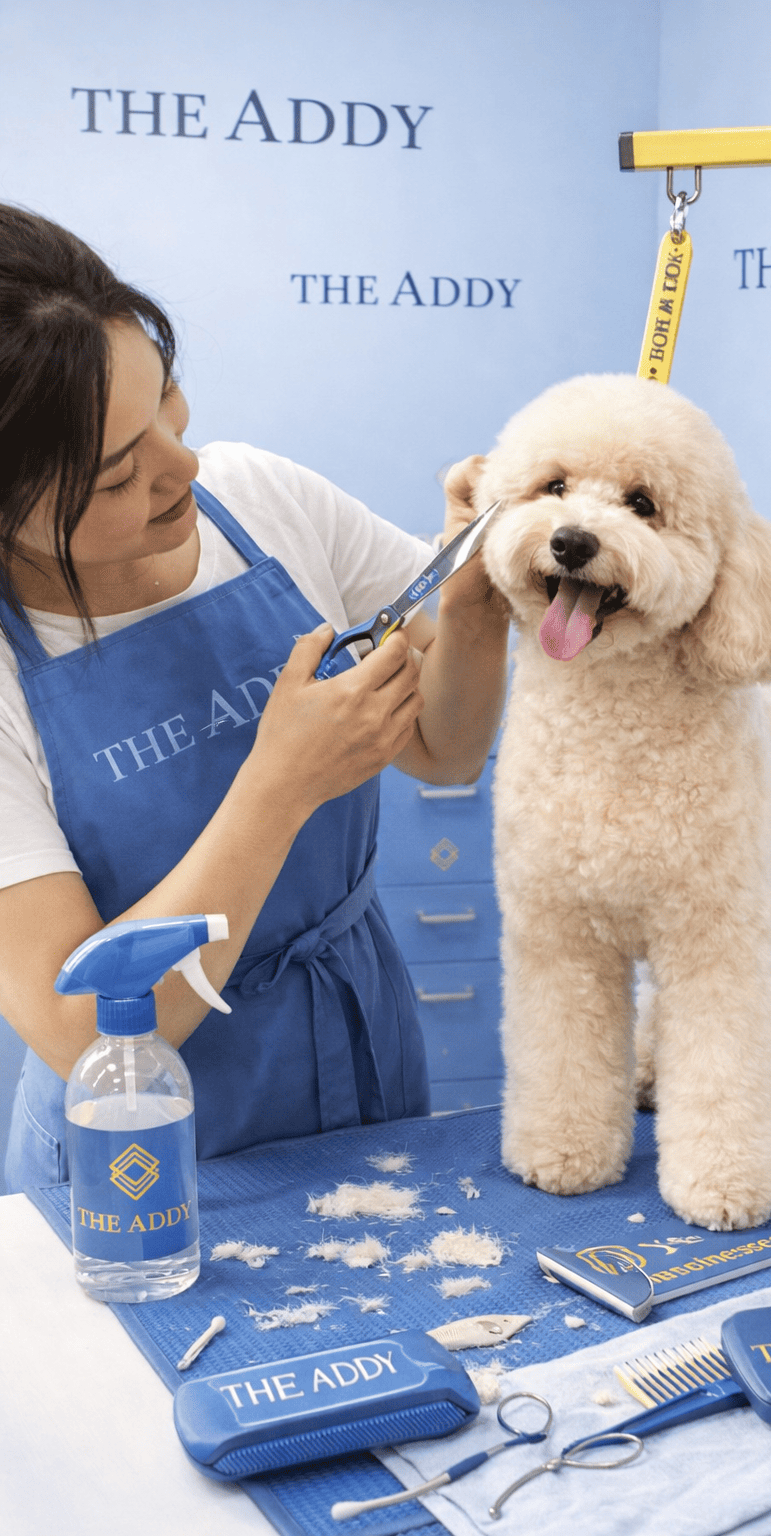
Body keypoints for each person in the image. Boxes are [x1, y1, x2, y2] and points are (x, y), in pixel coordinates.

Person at [0, 204, 509, 1192]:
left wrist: (474, 608)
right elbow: (77, 1027)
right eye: (116, 476)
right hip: (142, 1140)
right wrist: (280, 785)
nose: (181, 466)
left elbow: (444, 750)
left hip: (359, 1048)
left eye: (168, 403)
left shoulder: (263, 499)